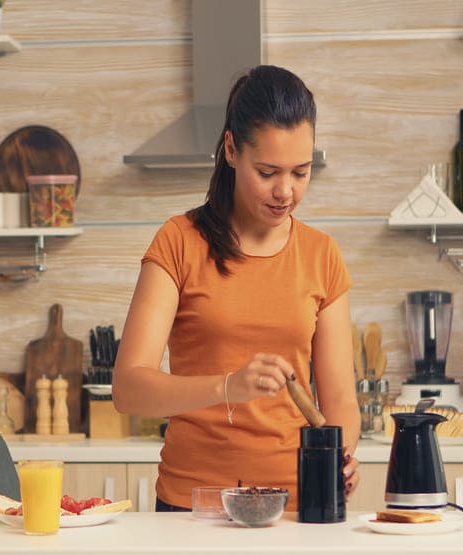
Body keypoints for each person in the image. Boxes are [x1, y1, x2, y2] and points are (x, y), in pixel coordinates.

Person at [112, 65, 360, 512]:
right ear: (230, 148)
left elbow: (340, 397)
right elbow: (128, 388)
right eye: (267, 171)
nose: (285, 191)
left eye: (301, 172)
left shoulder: (323, 255)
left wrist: (340, 453)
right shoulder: (178, 242)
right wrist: (227, 386)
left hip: (295, 507)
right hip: (194, 506)